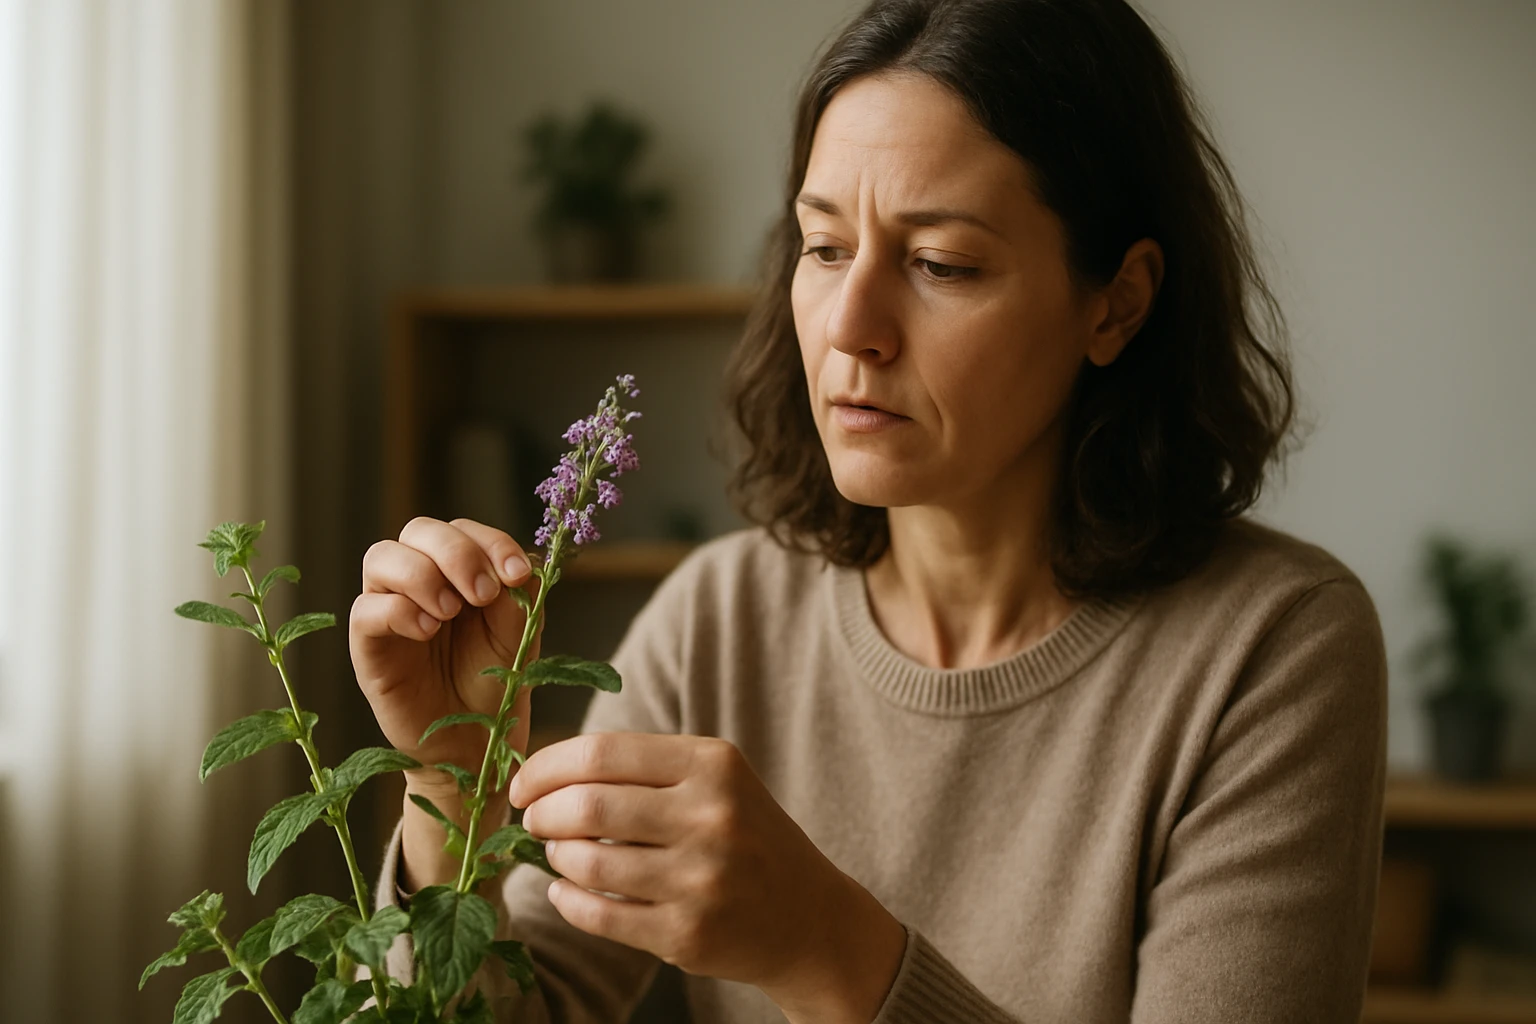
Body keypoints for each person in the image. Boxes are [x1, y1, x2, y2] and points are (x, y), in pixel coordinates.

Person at [348, 0, 1387, 1020]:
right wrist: (454, 792)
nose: (851, 327)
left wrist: (828, 947)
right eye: (824, 247)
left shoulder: (1276, 650)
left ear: (1116, 301)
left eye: (941, 264)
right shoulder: (717, 617)